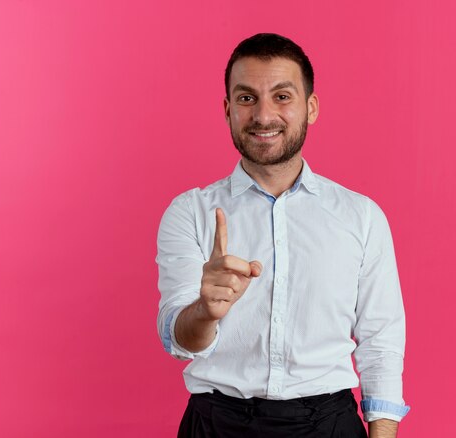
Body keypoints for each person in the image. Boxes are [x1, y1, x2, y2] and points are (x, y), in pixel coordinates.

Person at [156, 33, 410, 438]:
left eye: (282, 96)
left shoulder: (361, 216)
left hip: (328, 424)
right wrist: (205, 310)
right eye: (246, 98)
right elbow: (180, 340)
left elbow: (381, 342)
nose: (263, 115)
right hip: (216, 425)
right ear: (227, 110)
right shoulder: (190, 212)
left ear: (310, 108)